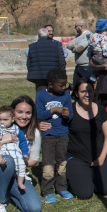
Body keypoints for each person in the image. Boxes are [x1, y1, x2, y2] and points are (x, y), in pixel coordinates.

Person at [0, 95, 43, 212]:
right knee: (7, 159)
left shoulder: (33, 133)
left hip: (16, 173)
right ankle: (0, 203)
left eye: (28, 113)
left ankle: (8, 189)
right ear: (12, 113)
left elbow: (33, 161)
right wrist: (1, 142)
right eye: (20, 112)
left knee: (34, 207)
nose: (24, 116)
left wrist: (19, 159)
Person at [66, 79, 107, 199]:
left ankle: (90, 175)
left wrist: (102, 158)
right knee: (85, 194)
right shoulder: (69, 111)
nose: (87, 94)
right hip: (77, 157)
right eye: (83, 91)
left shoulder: (101, 110)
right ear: (76, 94)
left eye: (90, 91)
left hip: (98, 156)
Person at [36, 68, 74, 204]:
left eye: (65, 84)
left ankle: (62, 187)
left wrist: (68, 115)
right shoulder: (41, 96)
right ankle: (47, 191)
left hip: (63, 134)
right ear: (50, 84)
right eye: (61, 85)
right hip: (48, 135)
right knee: (47, 164)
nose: (64, 87)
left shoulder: (66, 96)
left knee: (62, 162)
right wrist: (53, 110)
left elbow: (71, 114)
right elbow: (39, 115)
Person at [0, 105, 29, 191]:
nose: (2, 122)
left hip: (13, 151)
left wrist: (25, 153)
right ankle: (0, 161)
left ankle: (20, 182)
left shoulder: (16, 129)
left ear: (12, 119)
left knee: (21, 165)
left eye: (5, 120)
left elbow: (23, 142)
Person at [26, 27, 66, 92]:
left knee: (41, 95)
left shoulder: (32, 47)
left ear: (38, 35)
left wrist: (32, 73)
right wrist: (62, 74)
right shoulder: (55, 45)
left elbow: (29, 63)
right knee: (53, 94)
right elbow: (61, 61)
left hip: (38, 76)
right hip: (53, 75)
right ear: (47, 34)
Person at [89, 18, 107, 84]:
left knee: (97, 66)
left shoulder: (93, 37)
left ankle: (93, 76)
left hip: (95, 56)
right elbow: (106, 49)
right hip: (101, 56)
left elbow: (90, 48)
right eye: (106, 30)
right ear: (100, 30)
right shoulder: (104, 38)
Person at [66, 19, 92, 85]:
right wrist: (74, 46)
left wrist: (73, 48)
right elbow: (68, 44)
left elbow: (79, 48)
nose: (75, 28)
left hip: (86, 67)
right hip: (78, 66)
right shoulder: (78, 36)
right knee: (75, 87)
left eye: (76, 26)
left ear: (81, 26)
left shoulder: (89, 35)